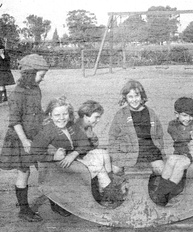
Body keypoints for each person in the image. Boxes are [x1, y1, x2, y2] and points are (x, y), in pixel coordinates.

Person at [30, 97, 121, 211]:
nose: (62, 118)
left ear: (69, 114)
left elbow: (84, 143)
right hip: (58, 164)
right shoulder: (47, 131)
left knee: (102, 154)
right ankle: (107, 195)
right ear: (50, 115)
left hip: (72, 158)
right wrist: (53, 156)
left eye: (65, 114)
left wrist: (74, 153)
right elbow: (33, 153)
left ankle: (106, 190)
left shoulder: (71, 126)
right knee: (98, 167)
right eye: (57, 115)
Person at [109, 79, 186, 206]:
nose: (134, 100)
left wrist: (160, 150)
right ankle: (121, 192)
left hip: (149, 149)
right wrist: (117, 155)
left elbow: (159, 134)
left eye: (137, 96)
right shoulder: (121, 114)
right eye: (130, 96)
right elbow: (112, 137)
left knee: (161, 170)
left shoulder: (150, 112)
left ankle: (156, 191)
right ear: (126, 98)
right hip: (129, 150)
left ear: (142, 96)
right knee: (116, 169)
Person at [0, 54, 49, 222]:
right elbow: (15, 121)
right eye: (41, 75)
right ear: (30, 73)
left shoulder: (36, 89)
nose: (42, 79)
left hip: (35, 136)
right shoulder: (17, 93)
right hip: (20, 139)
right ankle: (24, 209)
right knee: (24, 172)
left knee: (46, 167)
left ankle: (57, 202)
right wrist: (25, 141)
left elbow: (38, 112)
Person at [164, 97, 193, 200]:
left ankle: (167, 193)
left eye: (191, 115)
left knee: (178, 166)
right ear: (176, 114)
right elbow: (179, 138)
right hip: (179, 153)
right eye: (184, 115)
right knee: (170, 162)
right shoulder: (172, 125)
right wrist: (191, 135)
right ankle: (163, 190)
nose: (188, 119)